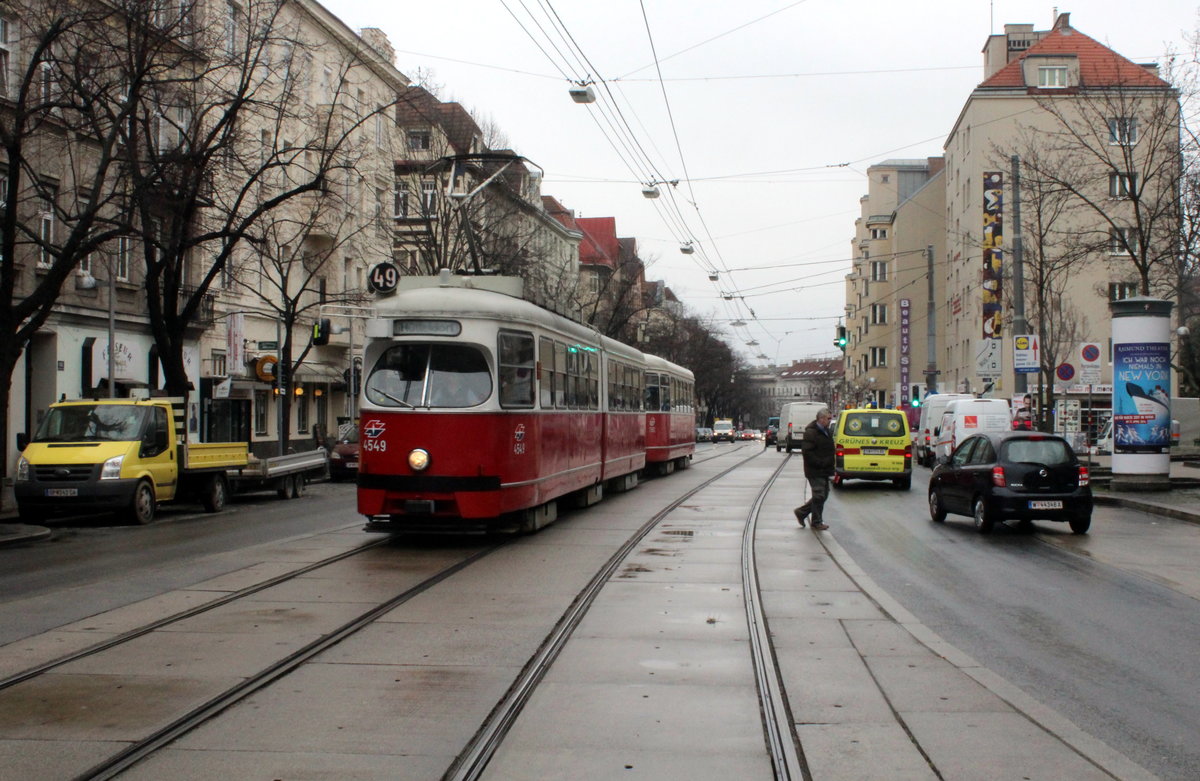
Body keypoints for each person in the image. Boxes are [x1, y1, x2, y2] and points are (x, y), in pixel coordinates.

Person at [793, 407, 835, 531]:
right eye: (828, 418)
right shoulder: (811, 432)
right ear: (821, 419)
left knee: (824, 495)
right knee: (819, 495)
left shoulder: (826, 431)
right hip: (815, 469)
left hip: (825, 468)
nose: (829, 421)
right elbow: (807, 452)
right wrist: (820, 462)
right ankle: (816, 522)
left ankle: (801, 512)